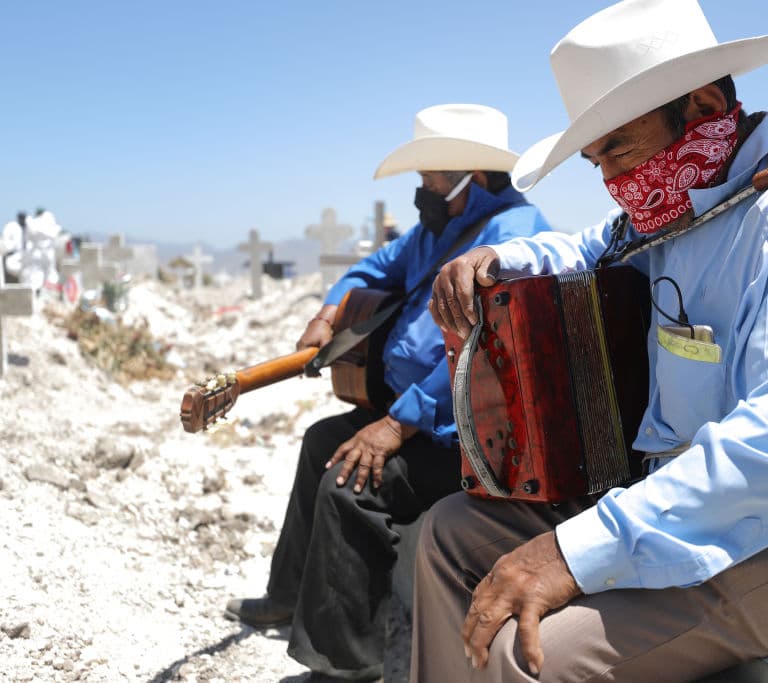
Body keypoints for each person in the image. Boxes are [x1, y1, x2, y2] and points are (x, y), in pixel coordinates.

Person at [421, 2, 768, 681]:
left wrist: (575, 549)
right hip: (677, 504)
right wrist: (500, 259)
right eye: (596, 162)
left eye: (619, 147)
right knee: (449, 534)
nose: (614, 181)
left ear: (703, 105)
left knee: (530, 658)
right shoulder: (681, 205)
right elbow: (591, 247)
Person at [225, 103, 551, 682]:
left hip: (467, 434)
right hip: (416, 417)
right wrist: (330, 313)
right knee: (320, 441)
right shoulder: (435, 233)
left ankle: (346, 663)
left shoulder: (513, 235)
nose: (422, 188)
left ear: (472, 177)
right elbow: (368, 271)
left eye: (431, 176)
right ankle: (289, 593)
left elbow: (485, 355)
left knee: (353, 485)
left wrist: (397, 425)